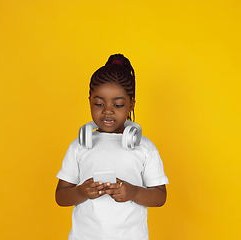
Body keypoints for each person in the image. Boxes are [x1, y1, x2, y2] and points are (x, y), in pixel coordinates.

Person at [55, 54, 169, 240]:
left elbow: (160, 197)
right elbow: (61, 196)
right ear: (90, 101)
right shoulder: (80, 145)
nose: (107, 110)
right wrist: (81, 192)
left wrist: (133, 192)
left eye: (118, 104)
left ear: (131, 104)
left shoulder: (144, 147)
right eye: (99, 103)